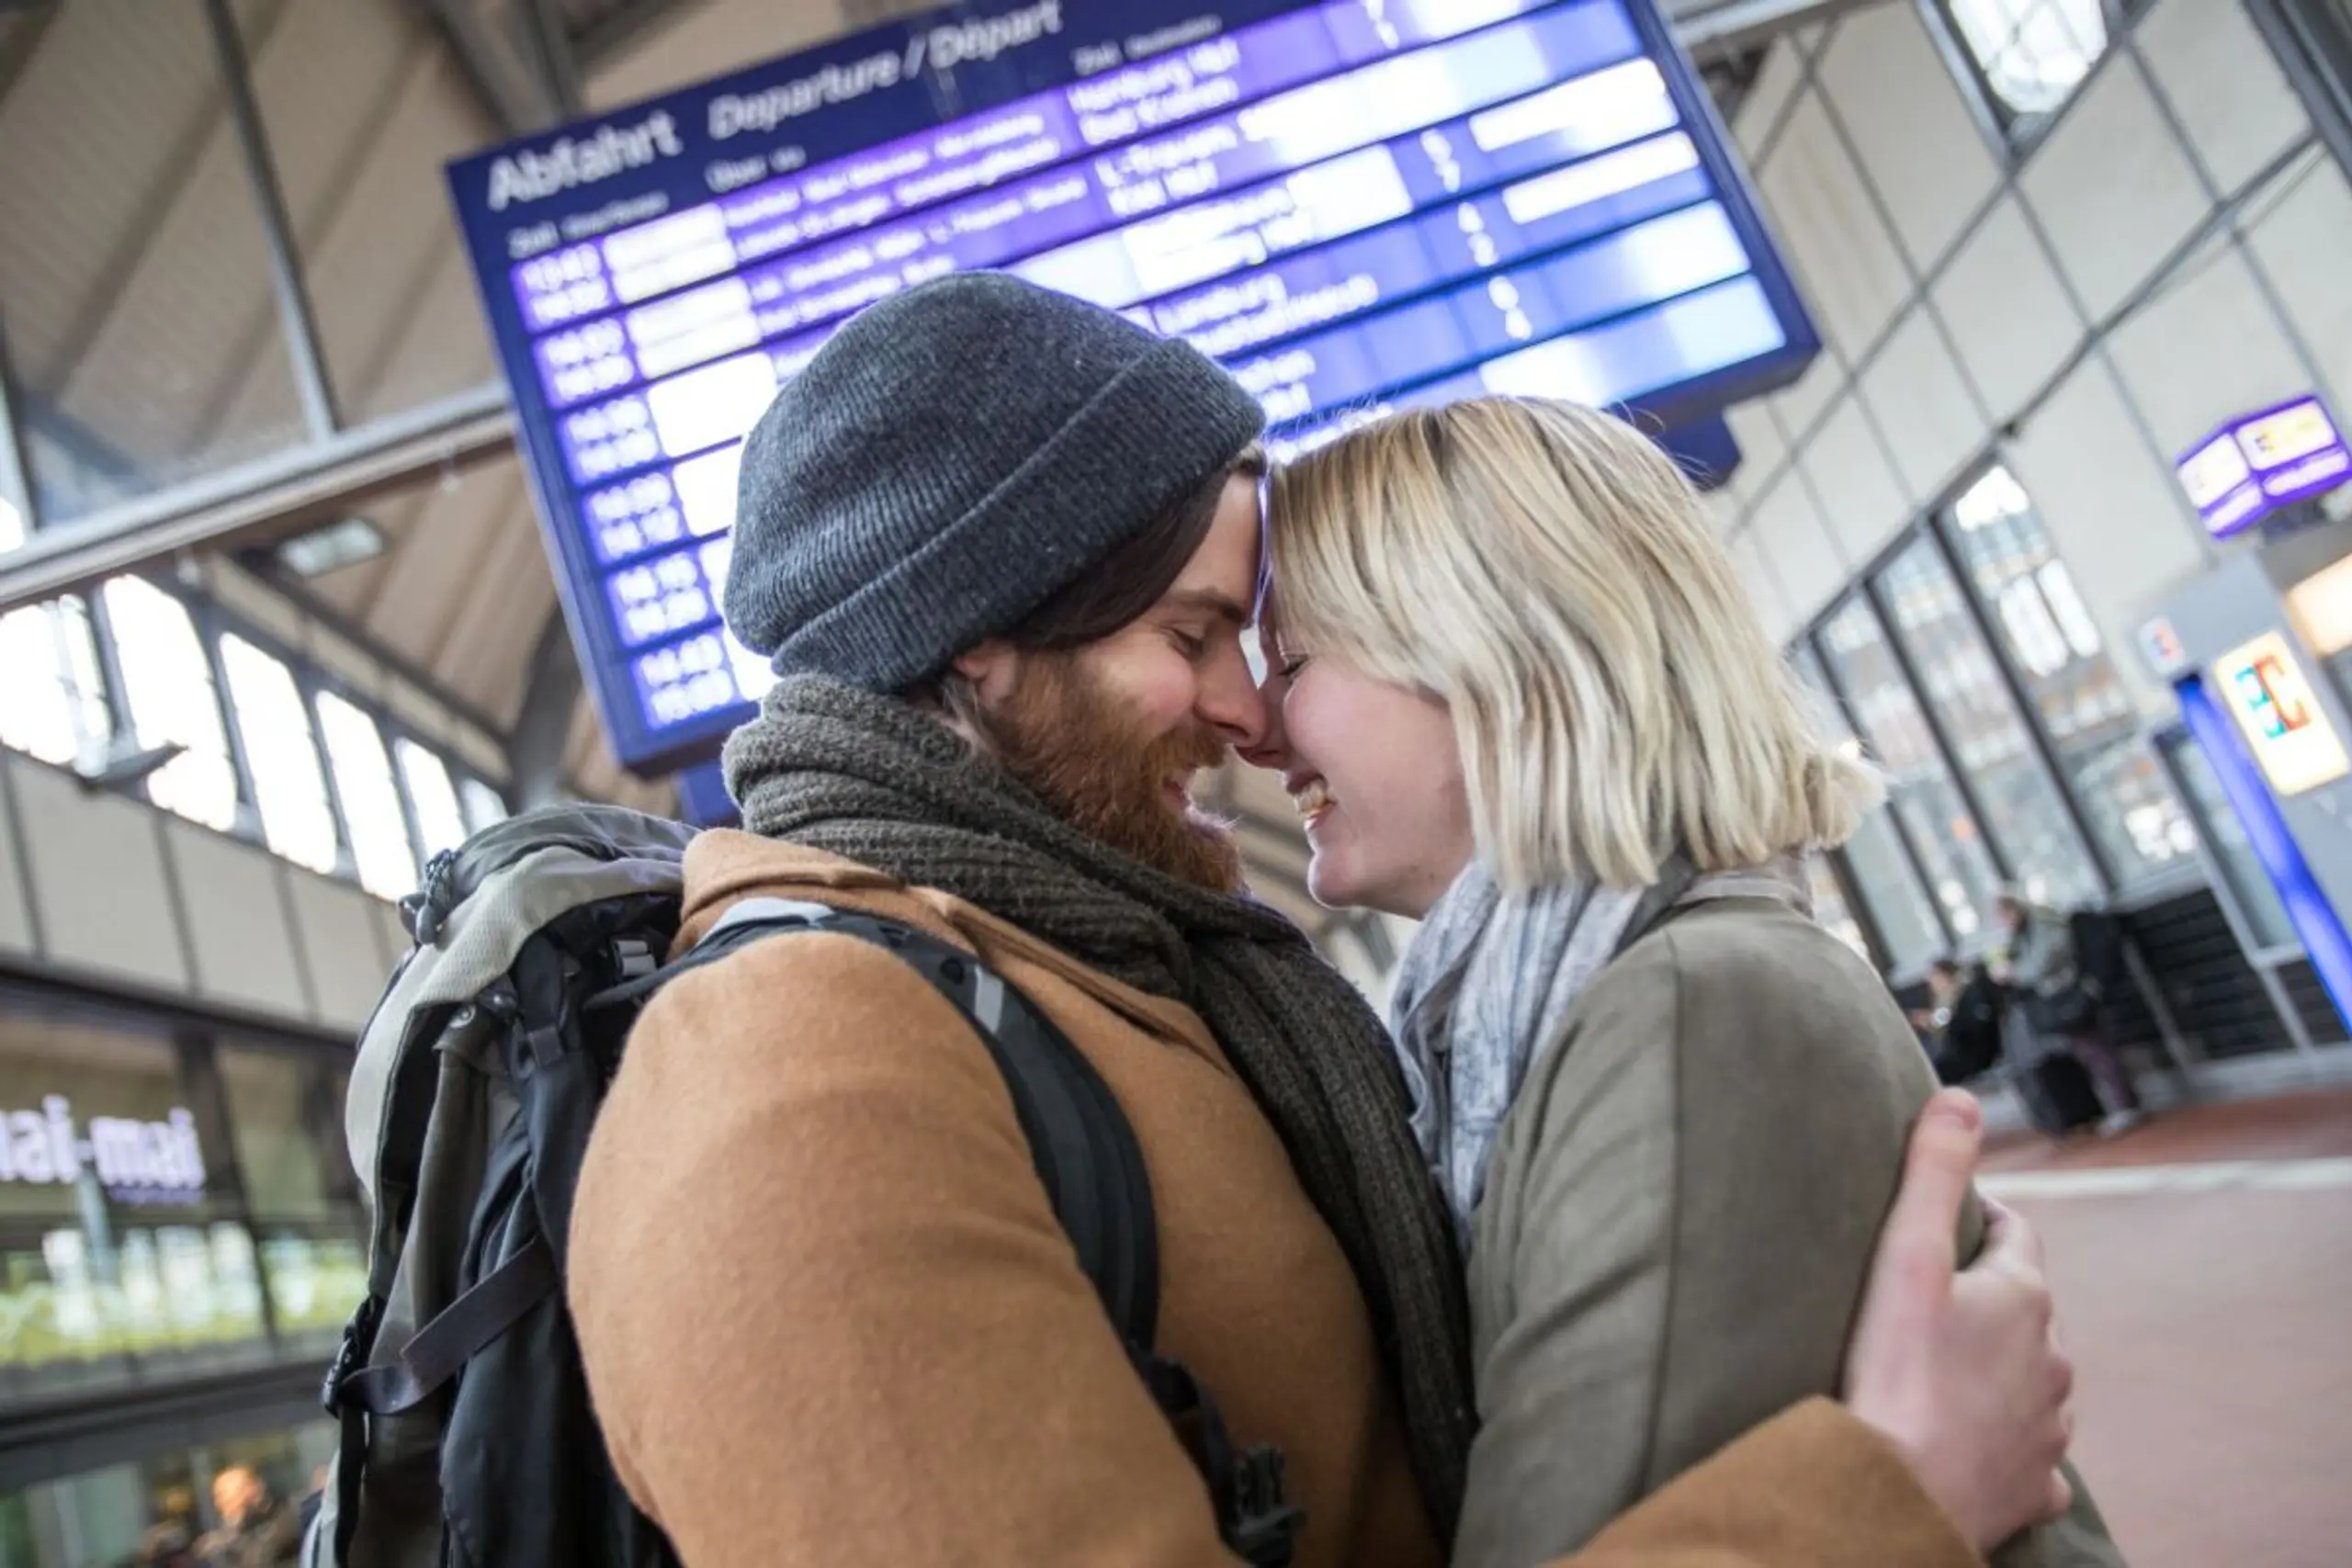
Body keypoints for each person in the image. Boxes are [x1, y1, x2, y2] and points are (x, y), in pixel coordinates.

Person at [566, 274, 2076, 1567]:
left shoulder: (1086, 976)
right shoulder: (795, 1066)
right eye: (1195, 633)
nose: (1246, 713)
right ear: (980, 641)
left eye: (1274, 648)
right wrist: (1886, 1498)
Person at [1249, 395, 2121, 1568]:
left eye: (1291, 660)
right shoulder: (1578, 1008)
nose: (1252, 727)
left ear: (1498, 651)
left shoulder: (1681, 1013)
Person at [1991, 890, 2143, 1133]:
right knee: (2087, 1051)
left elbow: (2042, 963)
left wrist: (2013, 972)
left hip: (2069, 994)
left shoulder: (2044, 924)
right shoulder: (2024, 933)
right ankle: (2119, 1104)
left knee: (2095, 1049)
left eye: (2003, 915)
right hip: (2057, 997)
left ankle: (2125, 1105)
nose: (2003, 922)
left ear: (2014, 909)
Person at [195, 1466, 300, 1568]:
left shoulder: (286, 1520)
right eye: (221, 1501)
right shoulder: (235, 1536)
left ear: (255, 1490)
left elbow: (264, 1557)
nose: (223, 1508)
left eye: (231, 1501)